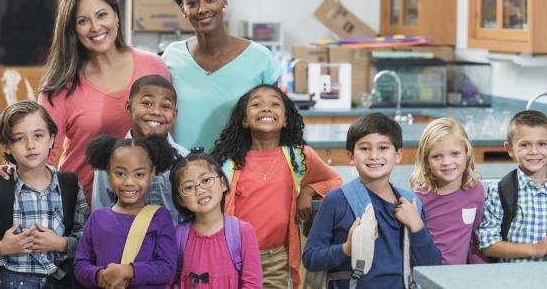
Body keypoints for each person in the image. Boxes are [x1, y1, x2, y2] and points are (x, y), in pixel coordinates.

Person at [0, 0, 171, 204]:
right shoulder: (60, 84)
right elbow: (42, 146)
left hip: (147, 198)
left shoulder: (153, 65)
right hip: (82, 204)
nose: (95, 27)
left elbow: (167, 133)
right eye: (83, 21)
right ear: (73, 29)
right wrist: (12, 173)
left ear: (116, 15)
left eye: (102, 15)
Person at [211, 84, 342, 288]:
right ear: (244, 120)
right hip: (233, 255)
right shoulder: (229, 163)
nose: (266, 108)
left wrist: (307, 191)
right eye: (256, 104)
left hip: (276, 260)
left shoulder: (299, 156)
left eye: (274, 103)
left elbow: (334, 181)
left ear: (285, 119)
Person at [303, 113, 441, 288]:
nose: (374, 155)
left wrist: (417, 228)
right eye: (364, 148)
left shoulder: (411, 204)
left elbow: (430, 265)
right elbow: (310, 258)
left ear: (398, 155)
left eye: (383, 147)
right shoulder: (336, 201)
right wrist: (346, 249)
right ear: (350, 156)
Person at [0, 100, 89, 288]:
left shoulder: (69, 185)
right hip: (11, 282)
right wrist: (0, 247)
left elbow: (88, 237)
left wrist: (61, 243)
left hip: (60, 281)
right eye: (20, 138)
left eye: (38, 135)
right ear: (6, 146)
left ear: (52, 139)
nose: (30, 145)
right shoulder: (0, 187)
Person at [162, 0, 281, 150]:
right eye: (192, 3)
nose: (202, 9)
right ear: (183, 8)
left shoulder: (261, 59)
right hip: (184, 171)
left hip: (241, 170)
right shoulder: (172, 57)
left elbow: (275, 125)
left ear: (224, 0)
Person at [75, 134, 177, 288]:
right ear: (108, 172)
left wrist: (128, 271)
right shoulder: (97, 218)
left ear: (152, 173)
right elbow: (80, 264)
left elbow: (167, 269)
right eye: (120, 173)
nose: (129, 182)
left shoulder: (160, 217)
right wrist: (99, 275)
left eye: (139, 174)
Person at [91, 75, 189, 224]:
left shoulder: (185, 159)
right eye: (147, 103)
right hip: (122, 245)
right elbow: (101, 216)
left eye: (165, 106)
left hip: (173, 245)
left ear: (174, 115)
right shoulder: (110, 157)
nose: (156, 111)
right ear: (129, 108)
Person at [169, 151, 262, 288]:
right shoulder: (177, 235)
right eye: (188, 187)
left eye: (206, 180)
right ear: (180, 200)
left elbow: (253, 284)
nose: (200, 191)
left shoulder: (242, 232)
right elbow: (168, 282)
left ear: (223, 183)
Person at [411, 117, 487, 264]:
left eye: (455, 154)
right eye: (437, 156)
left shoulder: (476, 191)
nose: (446, 162)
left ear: (467, 153)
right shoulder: (418, 199)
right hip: (426, 278)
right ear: (426, 161)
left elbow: (476, 240)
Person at [477, 110, 547, 262]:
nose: (534, 151)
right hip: (513, 278)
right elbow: (487, 244)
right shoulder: (501, 191)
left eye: (542, 144)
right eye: (524, 145)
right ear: (509, 149)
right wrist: (535, 249)